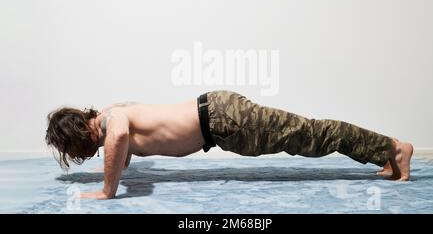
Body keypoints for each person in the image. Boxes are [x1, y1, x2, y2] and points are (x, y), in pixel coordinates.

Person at [45, 90, 414, 200]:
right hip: (220, 118)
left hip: (223, 120)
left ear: (80, 131)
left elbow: (121, 138)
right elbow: (121, 148)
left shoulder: (111, 123)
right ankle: (385, 154)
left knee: (310, 135)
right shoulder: (110, 113)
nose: (75, 153)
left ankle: (394, 149)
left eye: (71, 146)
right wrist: (111, 168)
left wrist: (108, 191)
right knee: (308, 135)